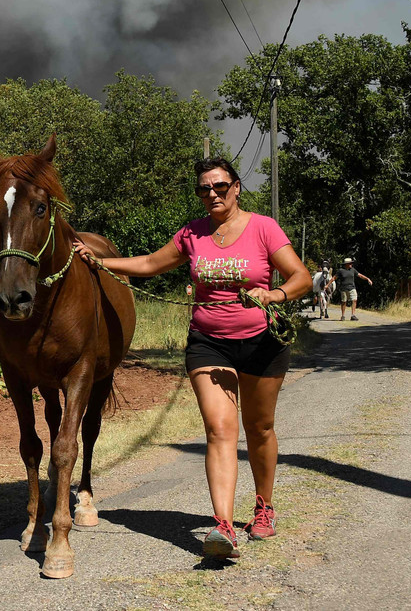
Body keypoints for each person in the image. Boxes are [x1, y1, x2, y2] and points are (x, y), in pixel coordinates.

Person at [70, 157, 310, 561]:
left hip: (262, 340)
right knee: (219, 429)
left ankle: (264, 504)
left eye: (219, 186)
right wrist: (100, 262)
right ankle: (224, 527)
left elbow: (300, 276)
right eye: (204, 189)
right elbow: (149, 263)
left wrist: (274, 294)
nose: (212, 194)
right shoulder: (192, 234)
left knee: (260, 427)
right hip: (208, 341)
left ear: (236, 188)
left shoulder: (263, 228)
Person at [334, 257, 373, 321]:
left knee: (354, 300)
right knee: (344, 302)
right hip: (344, 288)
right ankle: (343, 315)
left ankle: (353, 315)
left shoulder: (353, 270)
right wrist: (327, 285)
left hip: (352, 288)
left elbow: (360, 275)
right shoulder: (341, 271)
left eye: (351, 263)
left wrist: (367, 279)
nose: (351, 264)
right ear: (346, 264)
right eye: (350, 263)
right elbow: (334, 278)